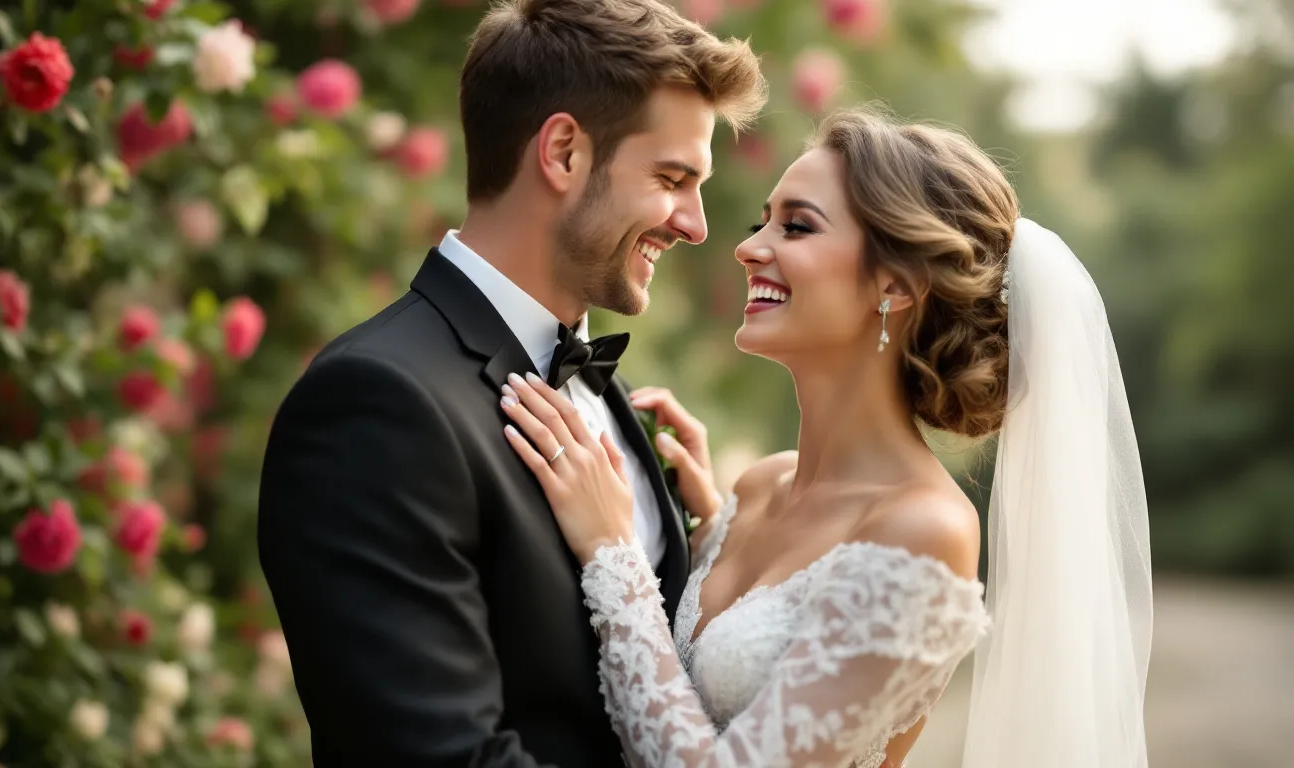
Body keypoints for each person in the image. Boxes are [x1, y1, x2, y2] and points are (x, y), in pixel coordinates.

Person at [500, 107, 1154, 767]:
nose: (749, 246)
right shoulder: (755, 489)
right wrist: (684, 525)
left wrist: (615, 555)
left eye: (797, 226)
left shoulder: (925, 532)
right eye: (764, 220)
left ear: (895, 284)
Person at [256, 0, 767, 765]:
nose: (695, 225)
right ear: (563, 152)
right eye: (670, 177)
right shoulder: (377, 404)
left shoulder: (618, 405)